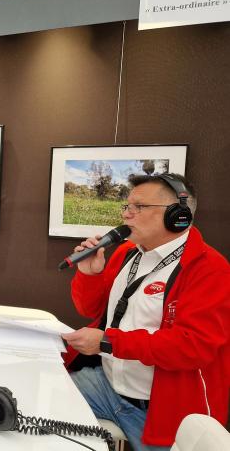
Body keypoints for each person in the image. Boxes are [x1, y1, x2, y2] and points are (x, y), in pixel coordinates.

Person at [61, 173, 229, 450]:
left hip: (162, 409)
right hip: (106, 385)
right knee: (40, 400)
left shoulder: (210, 269)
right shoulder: (127, 253)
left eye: (139, 207)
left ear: (178, 215)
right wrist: (89, 274)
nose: (127, 215)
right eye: (126, 206)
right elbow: (89, 308)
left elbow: (193, 346)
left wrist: (107, 342)